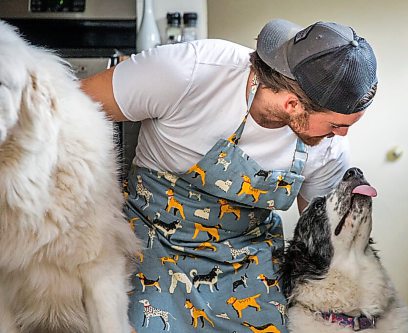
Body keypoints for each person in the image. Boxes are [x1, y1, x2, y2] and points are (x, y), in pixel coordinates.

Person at [81, 18, 377, 333]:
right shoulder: (188, 72)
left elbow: (326, 242)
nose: (341, 134)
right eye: (335, 125)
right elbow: (65, 115)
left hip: (247, 258)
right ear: (292, 104)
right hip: (148, 244)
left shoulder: (329, 149)